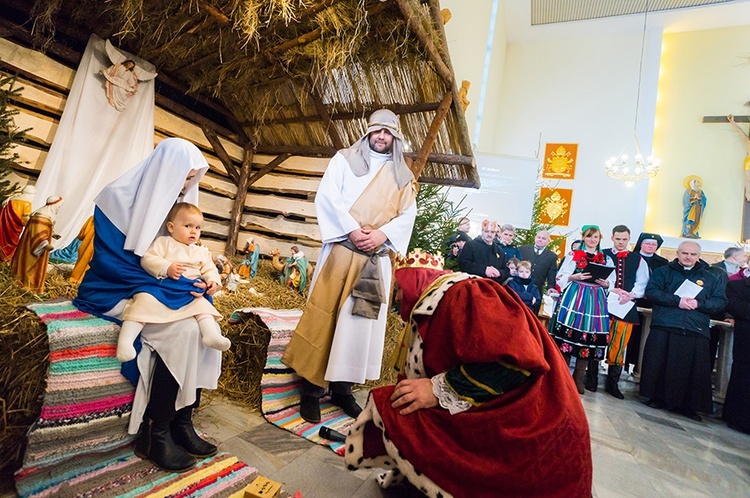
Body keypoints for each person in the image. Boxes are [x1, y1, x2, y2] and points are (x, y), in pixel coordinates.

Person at [344, 249, 592, 497]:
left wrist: (437, 389)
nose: (398, 297)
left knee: (393, 405)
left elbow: (516, 363)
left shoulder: (466, 294)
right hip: (502, 404)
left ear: (414, 281)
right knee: (398, 400)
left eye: (399, 288)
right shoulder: (438, 302)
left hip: (535, 422)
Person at [74, 138, 222, 472]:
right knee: (183, 331)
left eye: (190, 181)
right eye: (184, 178)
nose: (186, 188)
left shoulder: (174, 210)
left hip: (159, 288)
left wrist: (198, 282)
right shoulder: (116, 199)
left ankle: (183, 422)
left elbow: (178, 257)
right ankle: (157, 432)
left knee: (204, 324)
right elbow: (111, 264)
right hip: (114, 289)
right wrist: (178, 285)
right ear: (165, 170)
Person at [281, 109, 417, 423]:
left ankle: (342, 390)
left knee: (357, 328)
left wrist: (382, 234)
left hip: (374, 260)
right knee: (327, 321)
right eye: (377, 131)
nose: (382, 137)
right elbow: (328, 198)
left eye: (388, 133)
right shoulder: (344, 160)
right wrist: (352, 230)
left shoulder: (403, 176)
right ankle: (312, 391)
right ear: (368, 132)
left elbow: (407, 215)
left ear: (395, 137)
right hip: (342, 250)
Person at [116, 202, 230, 363]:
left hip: (188, 290)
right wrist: (166, 267)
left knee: (202, 306)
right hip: (164, 286)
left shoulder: (201, 252)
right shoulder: (164, 243)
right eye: (188, 226)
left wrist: (212, 283)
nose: (193, 231)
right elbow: (148, 259)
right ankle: (126, 342)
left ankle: (210, 335)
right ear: (171, 227)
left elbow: (210, 269)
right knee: (143, 301)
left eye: (197, 228)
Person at [640, 240, 727, 421]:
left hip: (694, 328)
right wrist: (676, 300)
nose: (688, 257)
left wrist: (699, 303)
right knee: (661, 363)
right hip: (666, 323)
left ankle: (689, 405)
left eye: (693, 254)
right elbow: (652, 291)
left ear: (698, 256)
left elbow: (720, 301)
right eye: (685, 253)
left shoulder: (711, 278)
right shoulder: (663, 272)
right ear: (677, 254)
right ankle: (657, 397)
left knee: (693, 370)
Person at [549, 225, 615, 394]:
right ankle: (562, 376)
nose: (592, 240)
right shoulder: (573, 255)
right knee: (568, 334)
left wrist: (606, 283)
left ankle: (578, 377)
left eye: (596, 237)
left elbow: (612, 281)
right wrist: (574, 276)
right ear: (583, 238)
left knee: (588, 339)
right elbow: (561, 276)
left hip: (595, 300)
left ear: (600, 239)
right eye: (589, 236)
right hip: (575, 295)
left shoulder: (605, 258)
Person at [587, 225, 649, 399]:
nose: (621, 242)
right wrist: (612, 289)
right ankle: (590, 379)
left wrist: (632, 295)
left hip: (625, 306)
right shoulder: (602, 255)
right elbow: (596, 277)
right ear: (612, 238)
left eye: (624, 239)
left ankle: (612, 384)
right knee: (596, 340)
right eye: (618, 239)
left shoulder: (638, 259)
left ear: (629, 239)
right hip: (602, 303)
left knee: (619, 344)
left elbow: (642, 282)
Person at [627, 232, 669, 376]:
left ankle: (641, 367)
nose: (650, 246)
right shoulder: (631, 257)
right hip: (631, 300)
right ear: (640, 244)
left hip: (652, 303)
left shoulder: (663, 263)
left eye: (653, 244)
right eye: (647, 243)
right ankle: (625, 365)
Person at [11, 195, 63, 293]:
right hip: (34, 246)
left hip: (30, 243)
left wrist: (52, 234)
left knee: (26, 263)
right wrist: (45, 244)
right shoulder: (42, 217)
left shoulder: (43, 214)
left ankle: (24, 282)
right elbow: (38, 233)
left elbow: (43, 229)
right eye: (58, 206)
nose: (58, 208)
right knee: (30, 266)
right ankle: (28, 287)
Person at [723, 275, 750, 434]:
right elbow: (734, 305)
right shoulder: (736, 286)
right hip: (746, 343)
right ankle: (737, 419)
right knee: (743, 379)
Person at [458, 219, 510, 284]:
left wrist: (499, 273)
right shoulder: (471, 245)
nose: (489, 234)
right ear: (482, 231)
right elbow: (463, 264)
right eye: (486, 231)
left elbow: (506, 270)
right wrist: (484, 270)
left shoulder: (500, 251)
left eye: (492, 232)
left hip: (494, 285)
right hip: (473, 284)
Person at [0, 185, 35, 261]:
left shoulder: (11, 199)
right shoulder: (27, 203)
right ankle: (6, 259)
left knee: (2, 241)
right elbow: (25, 219)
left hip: (4, 226)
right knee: (11, 244)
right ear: (31, 194)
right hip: (14, 228)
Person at [519, 229, 558, 294]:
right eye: (538, 237)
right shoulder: (522, 249)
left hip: (537, 289)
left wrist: (551, 287)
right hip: (520, 286)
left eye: (543, 238)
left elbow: (552, 274)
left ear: (548, 242)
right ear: (535, 238)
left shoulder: (552, 256)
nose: (540, 239)